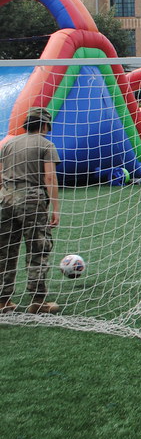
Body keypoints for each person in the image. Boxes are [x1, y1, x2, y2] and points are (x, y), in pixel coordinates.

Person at [0, 107, 61, 315]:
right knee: (37, 248)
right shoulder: (46, 144)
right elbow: (49, 177)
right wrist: (55, 208)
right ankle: (38, 301)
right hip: (31, 200)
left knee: (5, 250)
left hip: (5, 198)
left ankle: (3, 301)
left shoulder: (9, 144)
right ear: (44, 125)